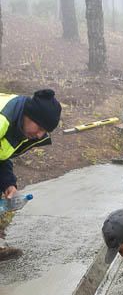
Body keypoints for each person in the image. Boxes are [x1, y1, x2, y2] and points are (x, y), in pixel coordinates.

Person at [0, 89, 62, 261]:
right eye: (40, 127)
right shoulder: (3, 119)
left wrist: (8, 184)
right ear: (28, 115)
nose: (39, 135)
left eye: (45, 131)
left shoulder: (21, 126)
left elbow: (1, 156)